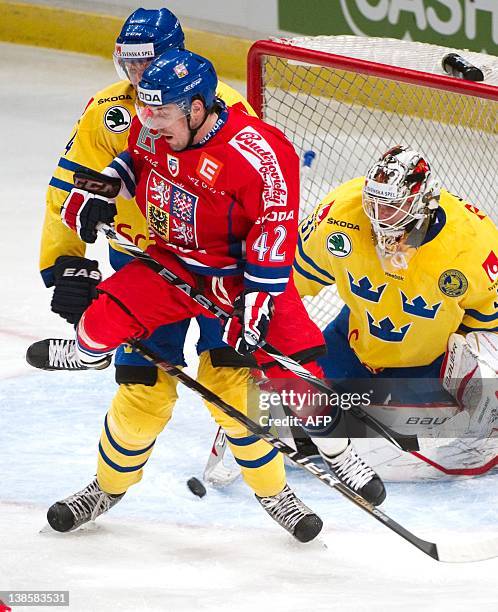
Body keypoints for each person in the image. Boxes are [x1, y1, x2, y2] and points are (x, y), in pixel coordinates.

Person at [29, 46, 387, 532]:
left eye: (161, 114)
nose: (149, 124)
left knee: (285, 382)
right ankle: (92, 368)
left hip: (242, 278)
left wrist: (257, 301)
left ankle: (333, 452)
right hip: (172, 264)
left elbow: (275, 230)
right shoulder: (153, 124)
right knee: (102, 330)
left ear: (198, 108)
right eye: (145, 110)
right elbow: (135, 161)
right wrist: (105, 189)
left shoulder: (259, 151)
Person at [293, 145, 498, 477]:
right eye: (373, 204)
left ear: (423, 202)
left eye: (391, 207)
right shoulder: (341, 215)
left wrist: (477, 393)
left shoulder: (472, 241)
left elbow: (490, 328)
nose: (377, 217)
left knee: (430, 432)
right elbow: (285, 281)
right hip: (355, 343)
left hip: (428, 363)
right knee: (278, 415)